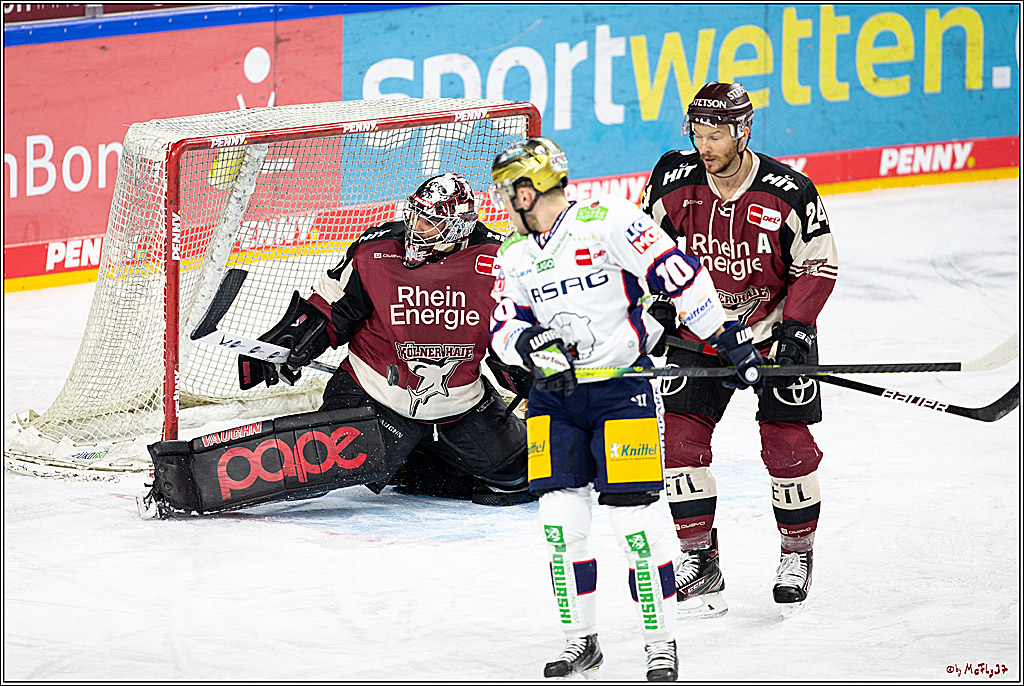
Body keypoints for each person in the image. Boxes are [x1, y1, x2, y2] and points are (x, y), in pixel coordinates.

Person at [487, 137, 763, 681]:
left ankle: (661, 644)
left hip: (621, 393)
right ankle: (579, 641)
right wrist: (532, 348)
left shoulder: (608, 219)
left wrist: (727, 337)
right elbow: (503, 325)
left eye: (508, 190)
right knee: (561, 526)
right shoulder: (514, 253)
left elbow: (679, 275)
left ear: (531, 188)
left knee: (635, 526)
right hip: (556, 399)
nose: (503, 202)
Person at [142, 172, 535, 518]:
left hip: (460, 405)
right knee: (312, 470)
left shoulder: (498, 261)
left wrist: (531, 373)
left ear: (455, 228)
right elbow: (332, 308)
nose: (415, 228)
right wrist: (295, 340)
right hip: (372, 394)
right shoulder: (376, 251)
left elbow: (508, 333)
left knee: (523, 477)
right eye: (413, 215)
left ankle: (406, 458)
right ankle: (184, 477)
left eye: (428, 223)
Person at [640, 81, 839, 618]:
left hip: (773, 334)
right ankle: (700, 560)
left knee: (787, 446)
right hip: (698, 332)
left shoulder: (789, 190)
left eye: (715, 135)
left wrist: (797, 329)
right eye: (697, 132)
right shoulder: (672, 179)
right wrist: (657, 303)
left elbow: (817, 265)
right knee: (679, 443)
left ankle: (796, 555)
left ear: (742, 131)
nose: (704, 145)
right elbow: (648, 246)